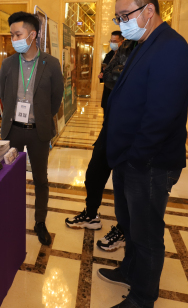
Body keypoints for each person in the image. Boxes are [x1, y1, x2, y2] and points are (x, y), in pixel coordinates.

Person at [97, 0, 188, 308]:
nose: (121, 22)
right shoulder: (144, 44)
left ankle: (142, 297)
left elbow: (160, 115)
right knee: (129, 224)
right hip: (130, 158)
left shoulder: (171, 48)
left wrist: (136, 158)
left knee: (147, 233)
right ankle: (129, 270)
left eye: (125, 15)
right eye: (118, 17)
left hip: (149, 162)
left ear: (149, 11)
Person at [65, 33, 139, 252]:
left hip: (132, 127)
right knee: (94, 172)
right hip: (112, 121)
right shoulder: (125, 48)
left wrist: (113, 73)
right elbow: (108, 76)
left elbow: (117, 77)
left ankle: (124, 230)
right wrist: (111, 73)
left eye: (124, 17)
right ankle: (91, 214)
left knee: (125, 184)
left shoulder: (147, 49)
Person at [0, 12, 64, 246]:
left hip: (38, 131)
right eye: (12, 35)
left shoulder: (51, 64)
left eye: (18, 34)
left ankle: (40, 221)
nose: (14, 39)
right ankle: (9, 217)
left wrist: (43, 118)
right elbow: (3, 93)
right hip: (13, 130)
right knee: (9, 177)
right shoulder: (8, 64)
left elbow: (56, 98)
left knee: (40, 179)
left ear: (32, 35)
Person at [99, 31, 124, 110]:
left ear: (122, 42)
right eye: (111, 41)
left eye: (115, 41)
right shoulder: (109, 55)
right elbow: (103, 70)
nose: (112, 43)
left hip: (118, 92)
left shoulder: (125, 56)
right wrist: (102, 74)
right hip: (107, 91)